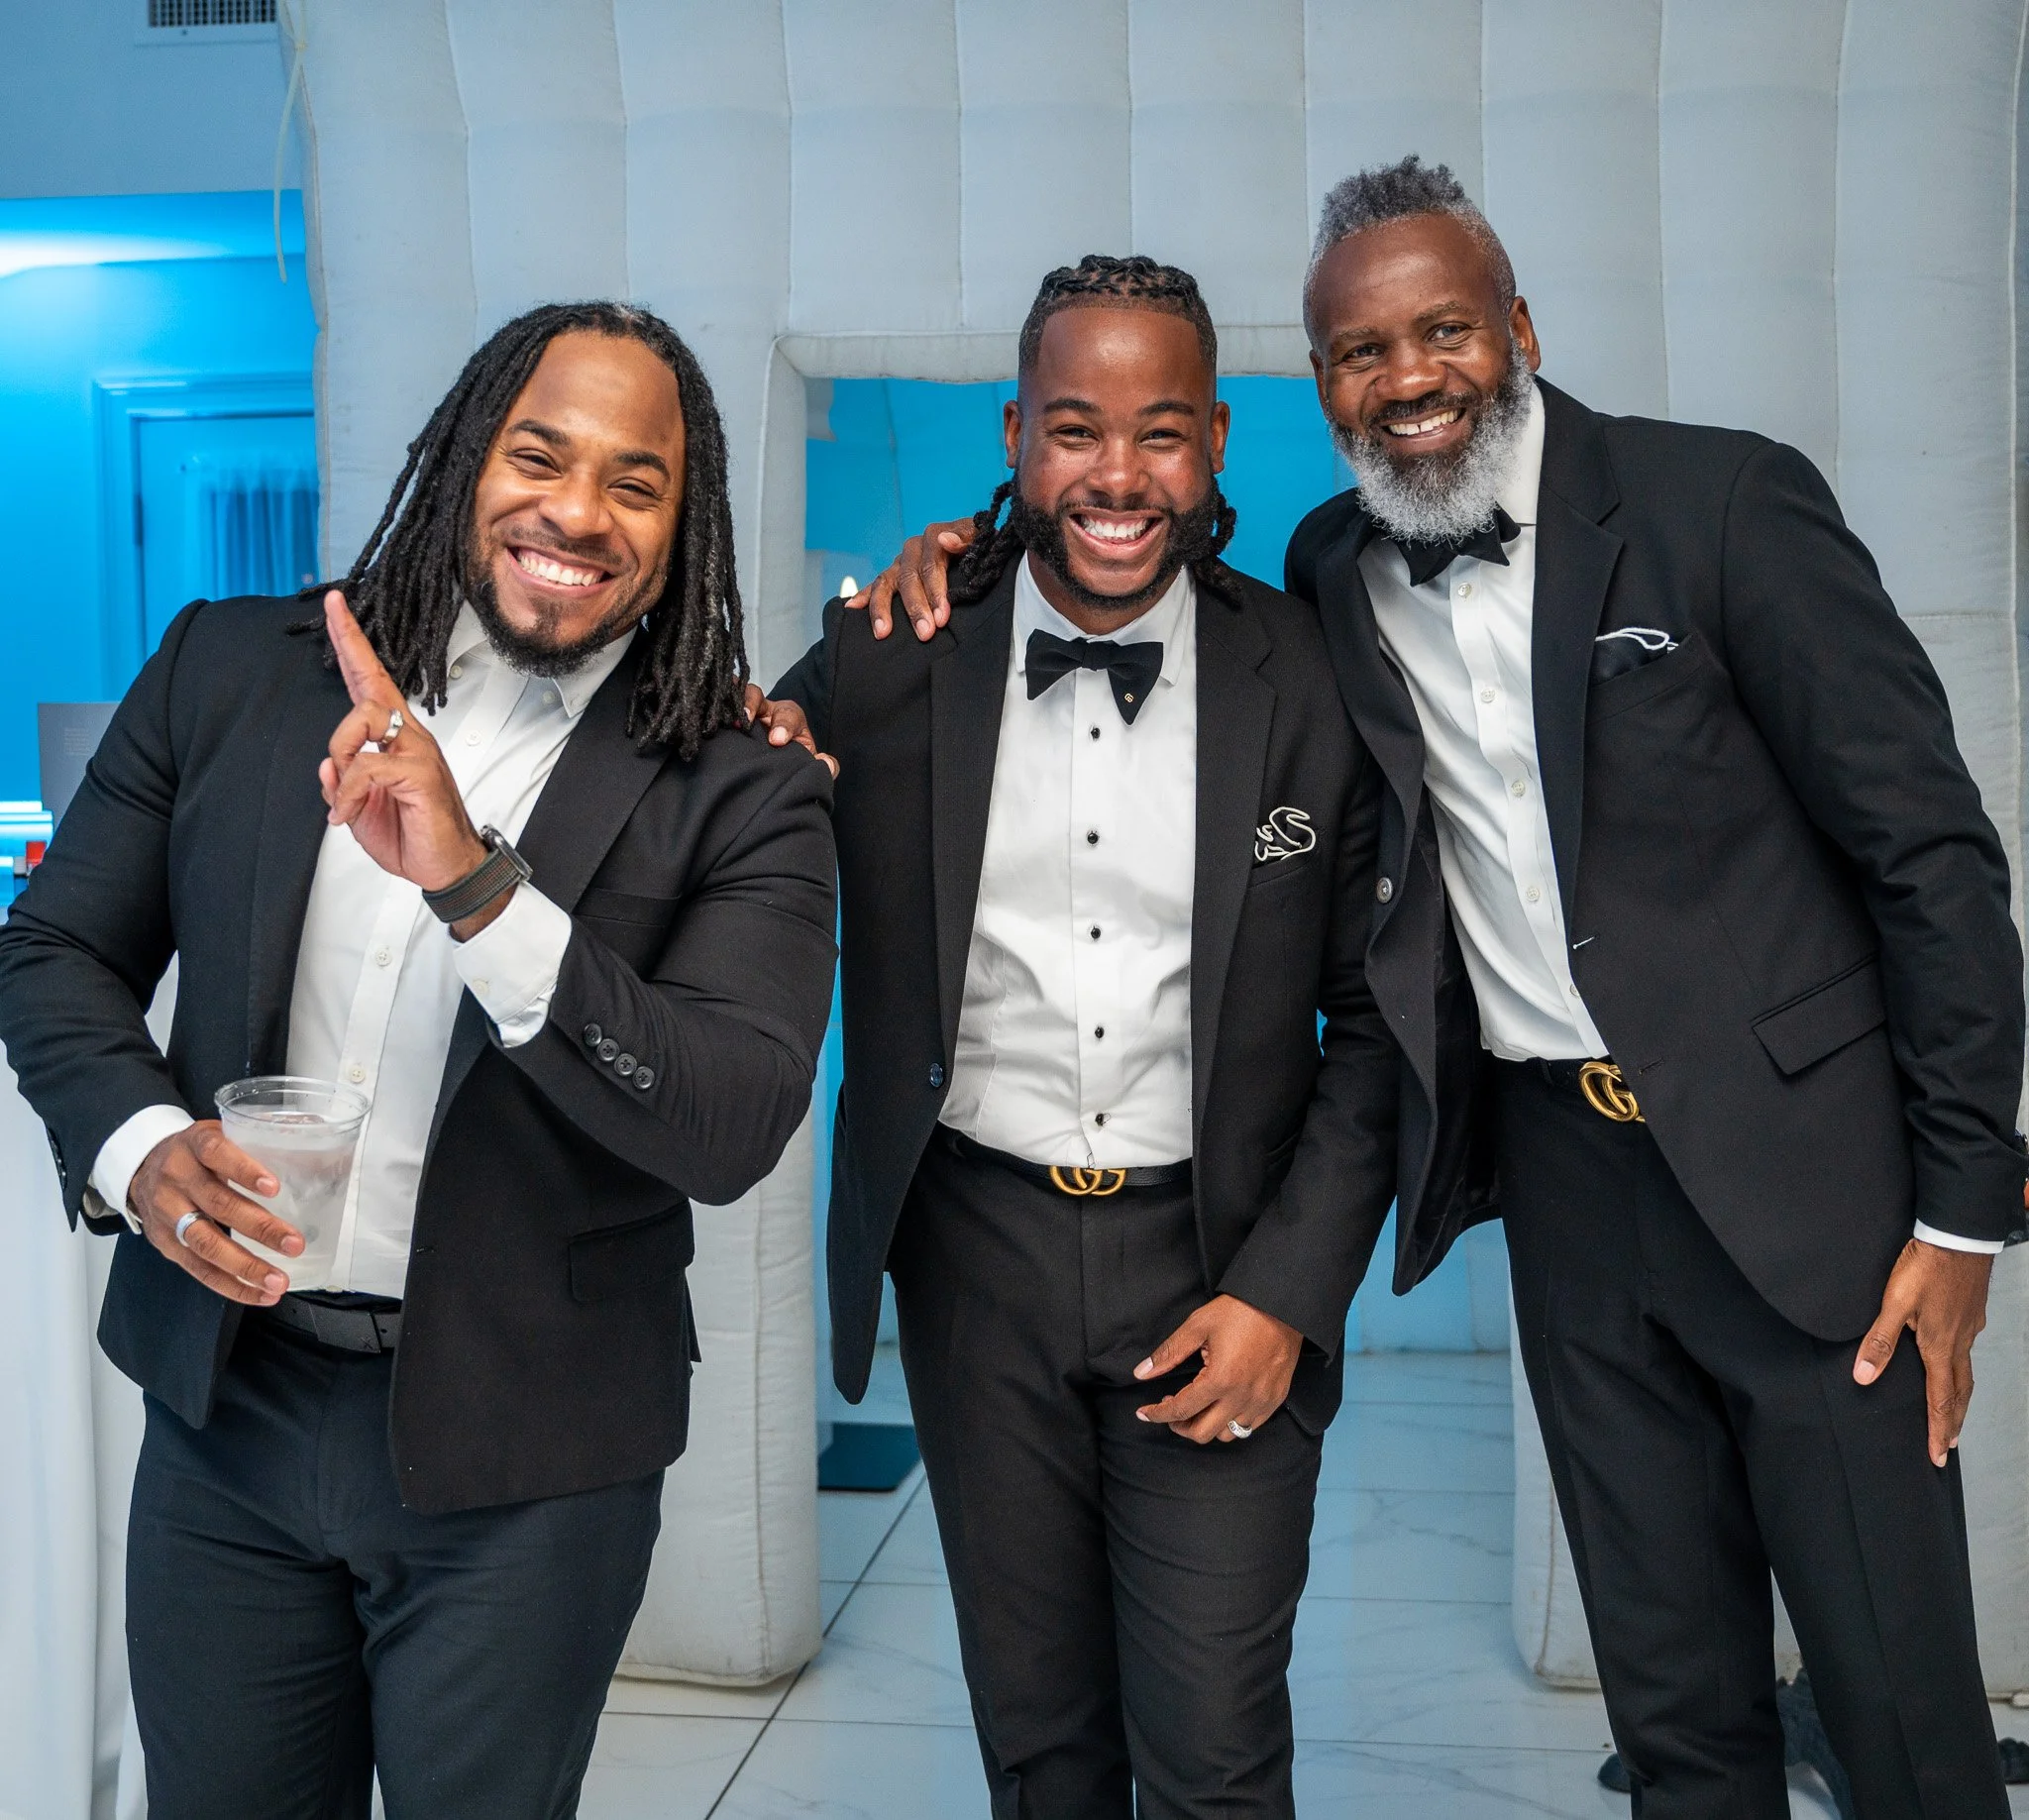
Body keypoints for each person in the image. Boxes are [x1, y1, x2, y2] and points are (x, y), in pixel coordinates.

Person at [833, 161, 2028, 1819]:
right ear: (1318, 385)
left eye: (1444, 331)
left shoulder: (1723, 503)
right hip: (1568, 1179)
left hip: (1808, 1180)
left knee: (1900, 1706)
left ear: (1518, 327)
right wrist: (961, 548)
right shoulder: (1333, 568)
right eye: (1358, 352)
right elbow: (1088, 532)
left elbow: (1933, 860)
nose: (1406, 378)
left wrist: (1964, 1215)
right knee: (1674, 1700)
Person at [0, 302, 837, 1819]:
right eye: (539, 456)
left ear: (683, 521)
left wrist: (477, 885)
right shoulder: (228, 668)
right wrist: (137, 1147)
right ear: (464, 458)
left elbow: (730, 1121)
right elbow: (52, 949)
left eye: (635, 483)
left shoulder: (742, 785)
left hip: (531, 1456)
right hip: (227, 1413)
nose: (577, 513)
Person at [757, 256, 1398, 1818]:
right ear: (1017, 435)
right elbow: (730, 768)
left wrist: (1288, 1290)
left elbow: (1383, 1024)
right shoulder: (889, 649)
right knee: (1040, 1744)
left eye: (1161, 431)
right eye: (1075, 429)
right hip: (977, 1258)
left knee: (1216, 1753)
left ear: (1218, 442)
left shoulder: (1313, 675)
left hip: (1221, 1256)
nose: (1119, 475)